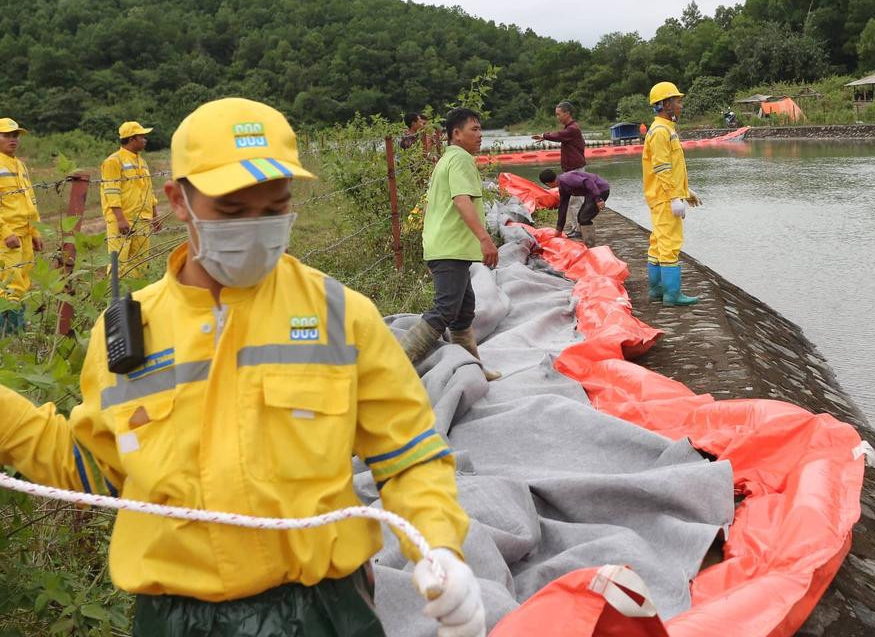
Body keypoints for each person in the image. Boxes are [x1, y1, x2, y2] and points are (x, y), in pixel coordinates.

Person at [0, 98, 485, 637]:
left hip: (325, 610)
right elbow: (96, 470)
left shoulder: (340, 316)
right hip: (176, 619)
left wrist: (439, 546)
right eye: (232, 211)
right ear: (178, 200)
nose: (256, 228)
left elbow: (409, 453)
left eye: (274, 207)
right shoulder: (128, 333)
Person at [401, 107, 501, 381]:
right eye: (474, 129)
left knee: (463, 311)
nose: (480, 135)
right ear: (456, 134)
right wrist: (485, 239)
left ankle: (471, 368)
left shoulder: (447, 159)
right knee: (445, 310)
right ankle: (393, 367)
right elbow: (461, 200)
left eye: (480, 129)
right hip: (449, 248)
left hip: (447, 247)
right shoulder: (460, 161)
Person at [642, 82, 702, 306]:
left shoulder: (666, 129)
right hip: (665, 198)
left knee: (658, 242)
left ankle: (657, 291)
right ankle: (671, 294)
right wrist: (674, 198)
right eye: (677, 101)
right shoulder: (660, 132)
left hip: (663, 196)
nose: (680, 105)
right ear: (666, 104)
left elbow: (673, 168)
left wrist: (685, 191)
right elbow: (662, 168)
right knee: (670, 243)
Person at [100, 122, 160, 278]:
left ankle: (134, 296)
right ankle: (115, 297)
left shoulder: (141, 161)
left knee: (140, 262)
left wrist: (155, 215)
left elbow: (149, 190)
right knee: (118, 262)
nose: (145, 140)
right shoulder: (113, 161)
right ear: (132, 139)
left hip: (143, 219)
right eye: (142, 137)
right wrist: (120, 219)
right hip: (123, 220)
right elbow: (111, 192)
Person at [0, 117, 42, 334]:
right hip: (7, 237)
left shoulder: (20, 165)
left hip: (25, 233)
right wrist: (5, 232)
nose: (13, 139)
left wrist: (35, 231)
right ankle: (8, 336)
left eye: (15, 135)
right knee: (10, 286)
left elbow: (29, 200)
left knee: (24, 283)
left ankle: (19, 333)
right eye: (6, 135)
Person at [538, 167, 609, 247]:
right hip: (590, 193)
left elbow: (588, 182)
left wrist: (598, 199)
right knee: (581, 217)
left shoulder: (567, 179)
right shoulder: (562, 187)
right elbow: (562, 208)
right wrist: (559, 229)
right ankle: (587, 241)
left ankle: (590, 245)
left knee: (584, 218)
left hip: (600, 190)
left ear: (547, 184)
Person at [530, 101, 585, 172]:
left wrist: (544, 136)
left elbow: (559, 135)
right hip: (572, 167)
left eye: (558, 114)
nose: (557, 117)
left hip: (575, 168)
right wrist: (544, 137)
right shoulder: (571, 127)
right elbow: (560, 135)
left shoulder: (572, 128)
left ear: (567, 114)